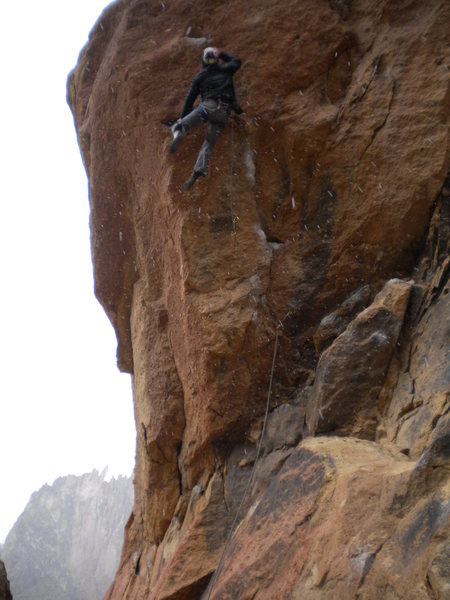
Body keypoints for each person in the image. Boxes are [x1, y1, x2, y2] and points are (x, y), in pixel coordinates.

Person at [169, 47, 242, 191]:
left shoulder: (200, 76)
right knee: (208, 143)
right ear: (216, 59)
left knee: (180, 126)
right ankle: (196, 173)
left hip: (208, 109)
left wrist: (182, 119)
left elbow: (189, 100)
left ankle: (179, 132)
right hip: (224, 113)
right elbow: (237, 61)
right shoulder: (226, 69)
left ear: (203, 60)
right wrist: (222, 54)